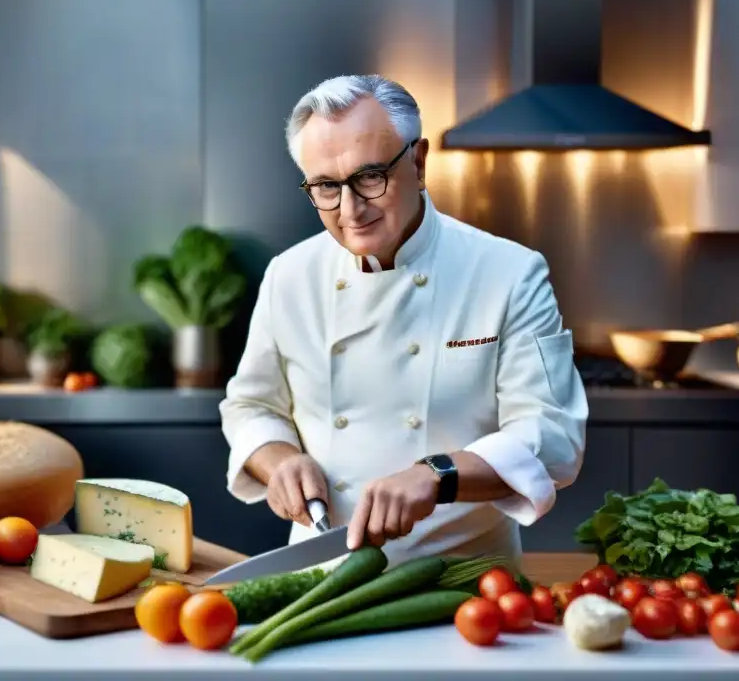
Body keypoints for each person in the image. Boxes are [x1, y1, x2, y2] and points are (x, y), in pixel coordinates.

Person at [219, 74, 588, 566]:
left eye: (370, 177)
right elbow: (251, 406)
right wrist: (280, 461)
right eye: (327, 186)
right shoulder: (289, 276)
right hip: (319, 578)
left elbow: (553, 438)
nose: (350, 210)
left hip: (465, 586)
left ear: (418, 161)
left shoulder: (509, 273)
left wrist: (437, 476)